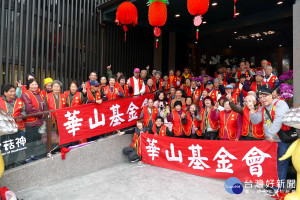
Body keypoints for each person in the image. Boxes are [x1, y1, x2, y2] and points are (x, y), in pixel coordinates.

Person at [248, 84, 291, 193]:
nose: (263, 99)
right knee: (271, 163)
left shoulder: (281, 104)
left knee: (281, 163)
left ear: (271, 95)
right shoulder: (262, 108)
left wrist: (271, 134)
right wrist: (252, 110)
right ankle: (272, 184)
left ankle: (278, 188)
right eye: (260, 97)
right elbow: (255, 121)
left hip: (282, 139)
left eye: (265, 96)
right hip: (270, 141)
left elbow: (279, 119)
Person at [0, 84, 27, 168]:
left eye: (14, 91)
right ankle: (3, 164)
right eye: (11, 91)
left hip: (16, 128)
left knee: (15, 147)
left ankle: (11, 164)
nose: (13, 93)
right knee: (3, 147)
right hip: (2, 130)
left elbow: (24, 112)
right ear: (5, 93)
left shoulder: (20, 101)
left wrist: (21, 116)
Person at [21, 78, 45, 162]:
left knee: (35, 140)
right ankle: (27, 157)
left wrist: (44, 113)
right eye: (32, 85)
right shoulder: (25, 94)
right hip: (30, 122)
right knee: (29, 140)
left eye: (36, 84)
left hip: (39, 121)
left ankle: (32, 155)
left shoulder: (39, 94)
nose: (34, 86)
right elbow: (29, 108)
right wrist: (41, 114)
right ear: (28, 86)